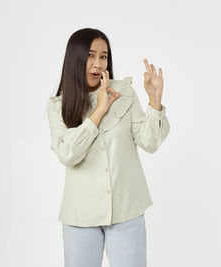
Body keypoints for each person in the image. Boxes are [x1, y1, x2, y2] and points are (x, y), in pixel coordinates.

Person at [46, 28, 170, 267]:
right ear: (75, 59)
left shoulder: (124, 93)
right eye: (91, 56)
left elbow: (150, 142)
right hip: (80, 216)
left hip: (127, 210)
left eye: (103, 56)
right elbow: (67, 154)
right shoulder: (58, 106)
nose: (98, 64)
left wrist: (155, 101)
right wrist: (100, 110)